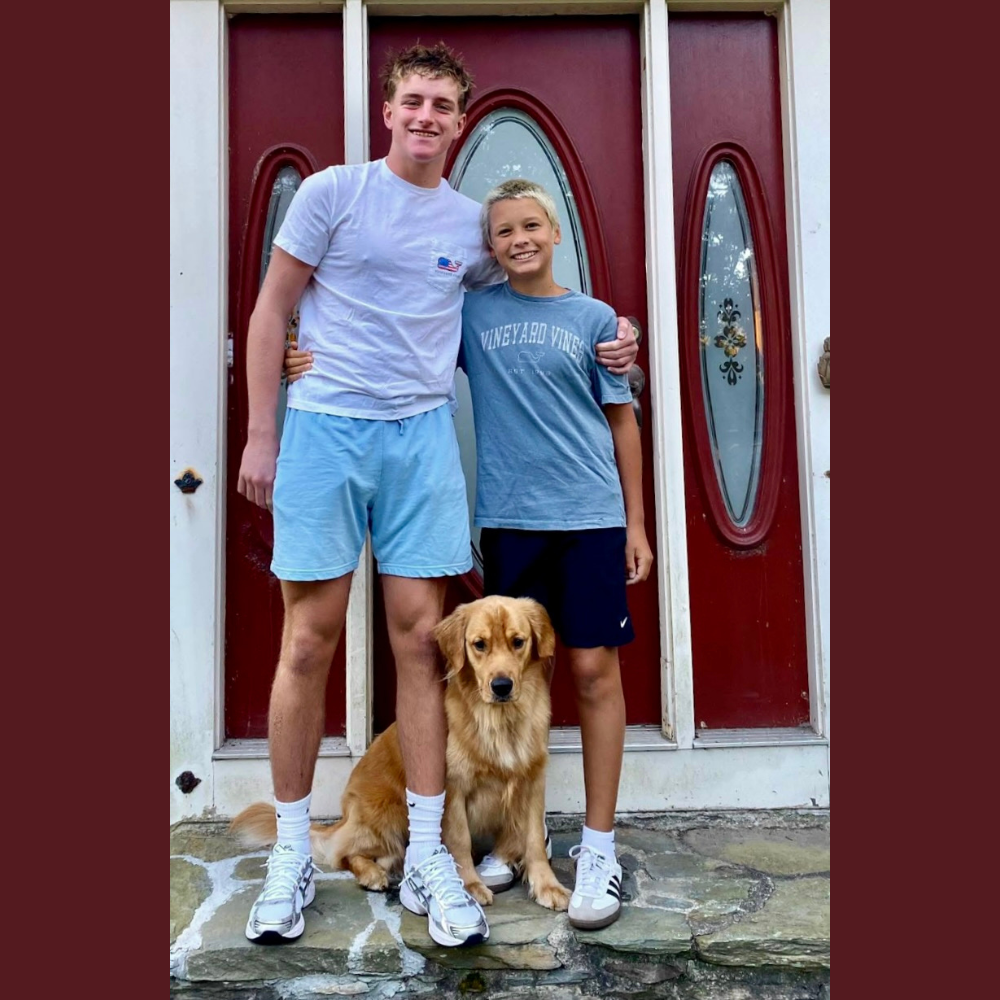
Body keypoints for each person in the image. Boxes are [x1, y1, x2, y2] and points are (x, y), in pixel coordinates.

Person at [236, 43, 638, 949]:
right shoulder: (333, 193)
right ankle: (293, 855)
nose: (425, 116)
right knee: (308, 641)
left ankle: (431, 856)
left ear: (460, 123)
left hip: (421, 442)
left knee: (422, 644)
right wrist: (264, 431)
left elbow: (534, 293)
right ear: (389, 110)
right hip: (327, 430)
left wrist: (619, 334)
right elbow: (271, 308)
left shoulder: (471, 228)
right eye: (412, 100)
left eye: (442, 106)